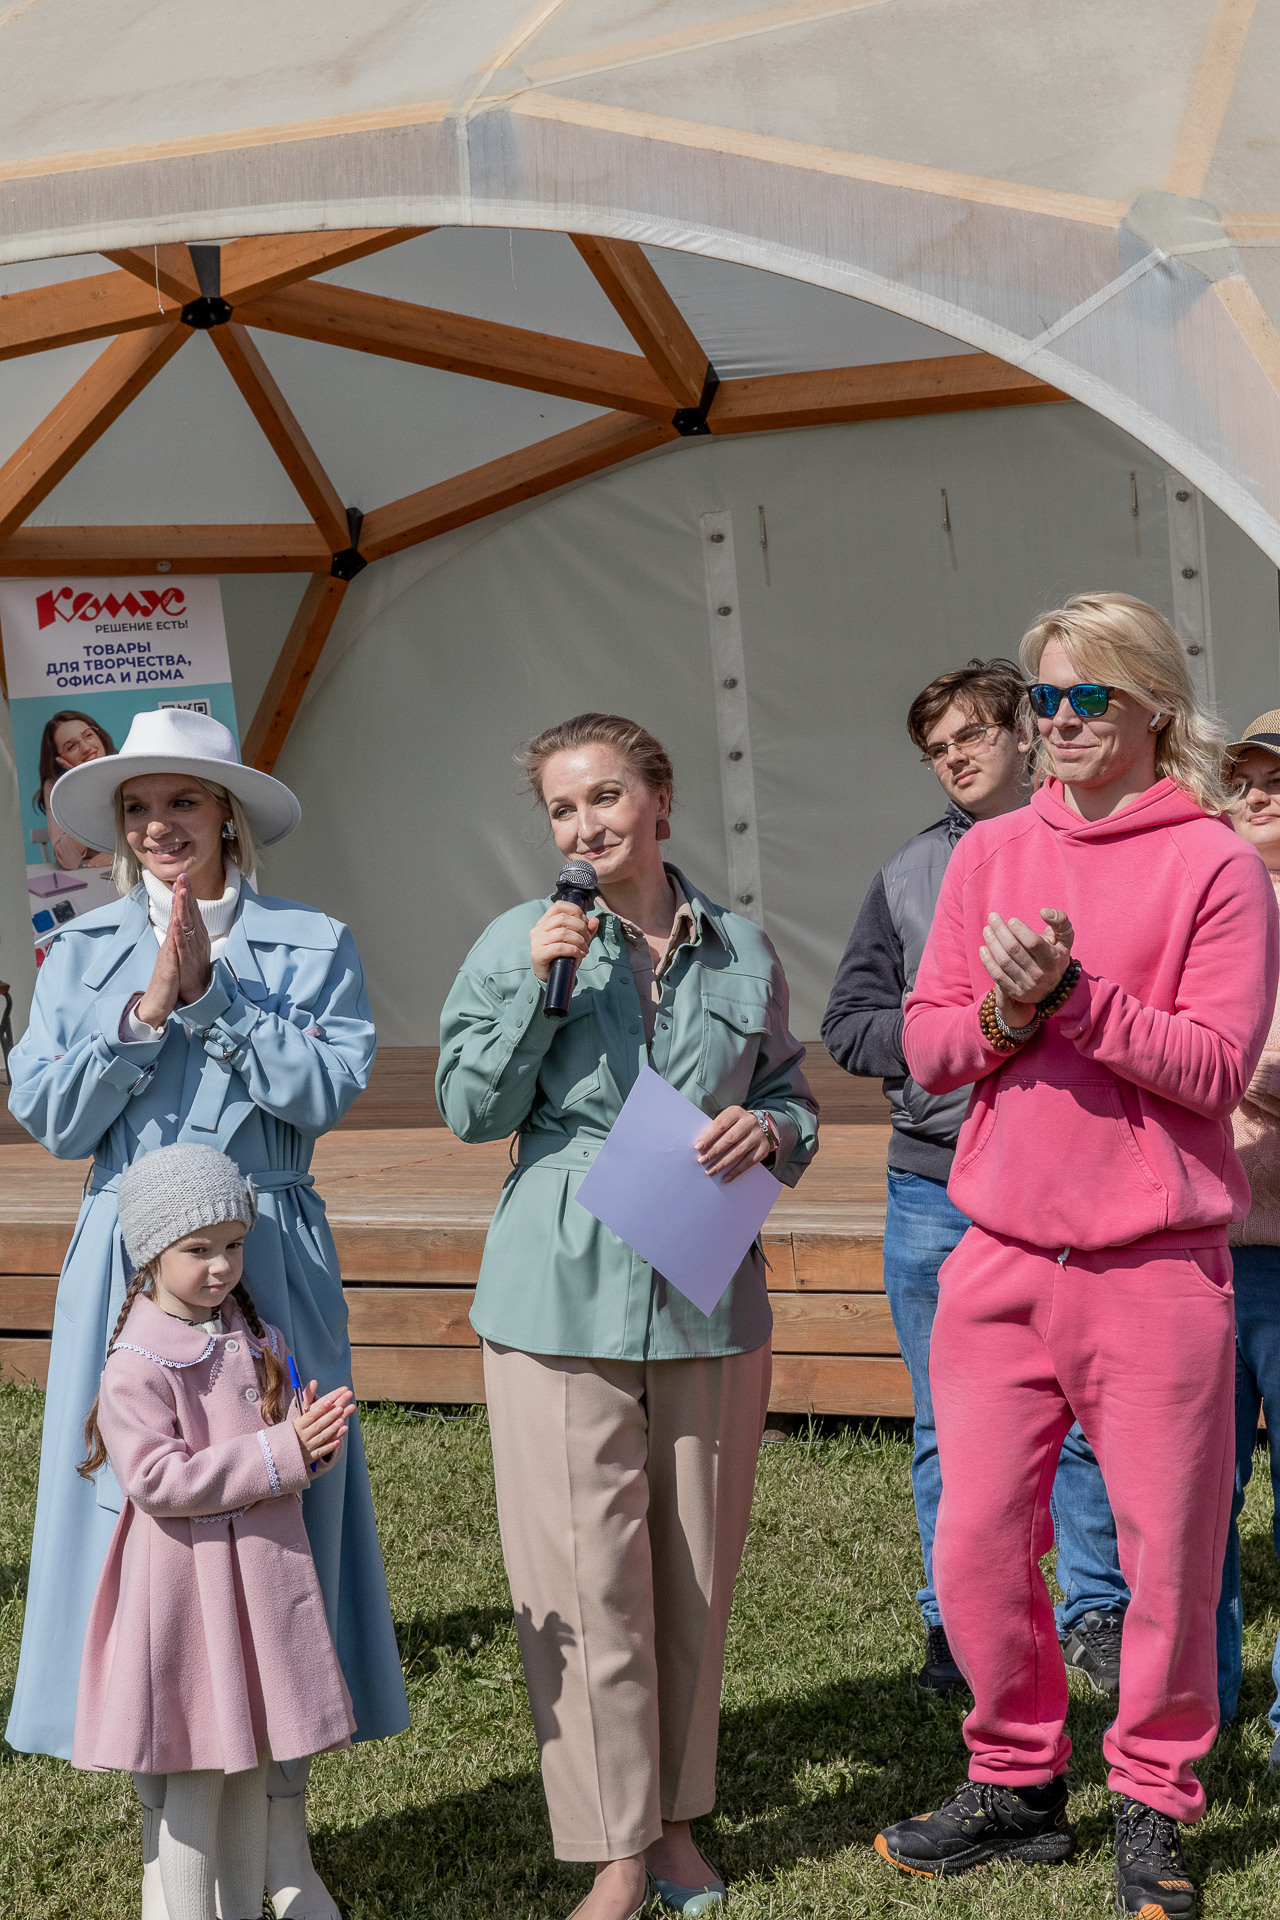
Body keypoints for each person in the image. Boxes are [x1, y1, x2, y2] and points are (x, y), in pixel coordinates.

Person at [874, 594, 1278, 1920]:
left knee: (1167, 1556)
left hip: (1157, 1265)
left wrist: (1078, 1002)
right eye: (1043, 697)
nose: (1055, 722)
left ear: (1153, 704)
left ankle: (1155, 1803)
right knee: (976, 1541)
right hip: (997, 1253)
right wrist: (1000, 1009)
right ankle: (1018, 1783)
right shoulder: (989, 856)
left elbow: (1216, 1068)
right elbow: (928, 1045)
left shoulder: (1215, 864)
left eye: (1082, 699)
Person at [6, 706, 408, 1920]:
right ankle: (164, 1837)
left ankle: (281, 1839)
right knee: (133, 1523)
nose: (156, 827)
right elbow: (52, 1118)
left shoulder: (309, 939)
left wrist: (216, 1001)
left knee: (286, 1523)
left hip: (272, 1252)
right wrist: (142, 1016)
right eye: (136, 808)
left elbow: (326, 1088)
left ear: (226, 814)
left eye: (180, 802)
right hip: (123, 1267)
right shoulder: (76, 951)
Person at [437, 712, 818, 1920]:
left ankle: (676, 1825)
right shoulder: (518, 941)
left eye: (605, 798)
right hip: (557, 1285)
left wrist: (774, 1132)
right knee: (587, 1571)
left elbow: (787, 1097)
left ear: (659, 800)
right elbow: (466, 1105)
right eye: (561, 808)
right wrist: (540, 998)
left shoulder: (743, 950)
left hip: (705, 1278)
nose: (585, 826)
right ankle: (610, 1845)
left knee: (693, 1568)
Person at [823, 658, 1128, 1697]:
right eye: (935, 748)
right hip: (935, 1187)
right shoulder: (908, 873)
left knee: (1087, 1414)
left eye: (970, 735)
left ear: (1024, 734)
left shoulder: (1096, 848)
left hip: (1072, 1180)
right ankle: (957, 1621)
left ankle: (1095, 1610)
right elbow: (848, 1023)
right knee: (943, 1420)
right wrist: (953, 1049)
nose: (952, 758)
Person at [73, 1146, 355, 1920]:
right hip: (191, 1607)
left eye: (233, 1245)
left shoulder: (247, 1330)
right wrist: (280, 1453)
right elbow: (159, 1482)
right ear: (151, 1252)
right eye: (198, 1249)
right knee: (197, 1779)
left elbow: (279, 1446)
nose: (223, 1266)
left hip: (254, 1598)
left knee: (248, 1770)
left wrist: (310, 1441)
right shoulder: (137, 1365)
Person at [1215, 710, 1280, 1753]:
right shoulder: (1203, 899)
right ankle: (1193, 1720)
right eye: (1245, 775)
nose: (1260, 793)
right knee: (1185, 1508)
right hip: (1194, 1244)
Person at [32, 709, 115, 868]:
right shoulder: (56, 785)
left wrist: (120, 857)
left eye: (88, 735)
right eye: (71, 746)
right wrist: (81, 784)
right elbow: (67, 859)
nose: (85, 747)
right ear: (60, 760)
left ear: (99, 736)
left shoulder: (126, 767)